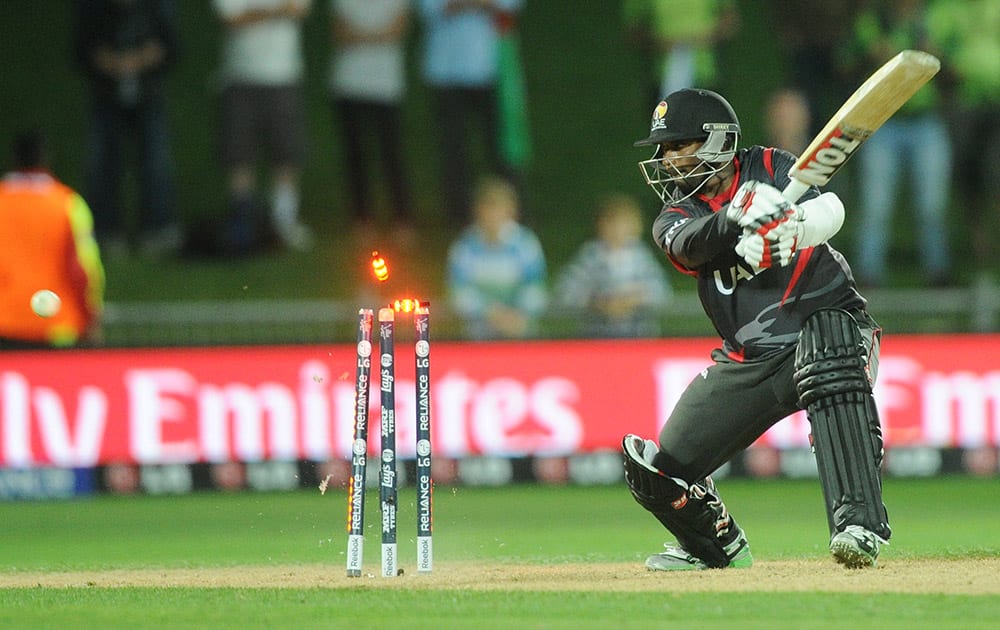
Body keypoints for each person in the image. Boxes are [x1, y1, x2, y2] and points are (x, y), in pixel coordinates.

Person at [622, 88, 891, 571]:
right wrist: (734, 219)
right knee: (657, 472)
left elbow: (831, 209)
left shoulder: (770, 164)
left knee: (827, 350)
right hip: (751, 360)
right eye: (664, 150)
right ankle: (715, 547)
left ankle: (859, 525)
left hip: (834, 329)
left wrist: (795, 227)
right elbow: (688, 247)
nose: (666, 159)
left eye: (678, 145)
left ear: (715, 142)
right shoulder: (676, 215)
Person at [844, 0, 952, 287]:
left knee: (933, 205)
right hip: (884, 122)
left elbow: (951, 68)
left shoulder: (935, 18)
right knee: (875, 206)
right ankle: (867, 276)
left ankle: (938, 275)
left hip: (925, 119)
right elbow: (851, 63)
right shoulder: (874, 20)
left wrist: (935, 53)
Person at [74, 0, 182, 258]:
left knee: (155, 160)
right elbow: (81, 49)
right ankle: (106, 230)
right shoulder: (94, 11)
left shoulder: (155, 9)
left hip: (148, 93)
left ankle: (158, 228)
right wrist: (107, 62)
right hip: (106, 95)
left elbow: (172, 47)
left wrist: (144, 59)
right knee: (103, 162)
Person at [212, 0, 314, 254]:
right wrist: (276, 11)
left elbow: (299, 10)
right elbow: (231, 18)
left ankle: (284, 221)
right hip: (240, 74)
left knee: (286, 152)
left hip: (283, 74)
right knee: (239, 154)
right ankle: (242, 222)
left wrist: (255, 14)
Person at [417, 0, 525, 223]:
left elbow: (510, 6)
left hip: (491, 66)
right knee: (453, 146)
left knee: (501, 145)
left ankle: (511, 209)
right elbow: (431, 8)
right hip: (446, 69)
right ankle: (460, 214)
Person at [0, 131, 105, 349]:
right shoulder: (67, 204)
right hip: (55, 325)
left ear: (13, 160)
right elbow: (83, 269)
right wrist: (90, 318)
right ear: (45, 158)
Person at [328, 0, 415, 241]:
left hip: (387, 85)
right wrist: (377, 36)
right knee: (356, 155)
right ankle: (362, 218)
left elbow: (398, 29)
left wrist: (362, 36)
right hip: (349, 84)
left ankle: (402, 217)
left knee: (392, 153)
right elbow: (341, 32)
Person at [928, 0, 1000, 282]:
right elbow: (931, 50)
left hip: (996, 105)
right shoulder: (945, 10)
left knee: (995, 175)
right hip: (962, 104)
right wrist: (947, 69)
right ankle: (978, 245)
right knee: (968, 179)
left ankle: (992, 245)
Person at [555, 194, 672, 338]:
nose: (618, 230)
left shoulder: (642, 258)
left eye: (625, 224)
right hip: (596, 336)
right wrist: (599, 303)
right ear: (600, 226)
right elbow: (566, 291)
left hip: (638, 336)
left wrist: (636, 299)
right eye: (613, 224)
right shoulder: (591, 257)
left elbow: (662, 292)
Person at [446, 175, 547, 340]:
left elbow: (536, 289)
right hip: (478, 334)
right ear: (477, 210)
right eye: (488, 208)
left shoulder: (525, 244)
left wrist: (517, 315)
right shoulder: (465, 247)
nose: (493, 215)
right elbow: (459, 293)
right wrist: (491, 314)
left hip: (520, 331)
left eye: (498, 208)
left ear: (511, 210)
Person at [622, 0, 739, 105]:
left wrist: (701, 40)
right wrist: (660, 44)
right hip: (662, 79)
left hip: (706, 77)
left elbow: (730, 20)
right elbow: (634, 29)